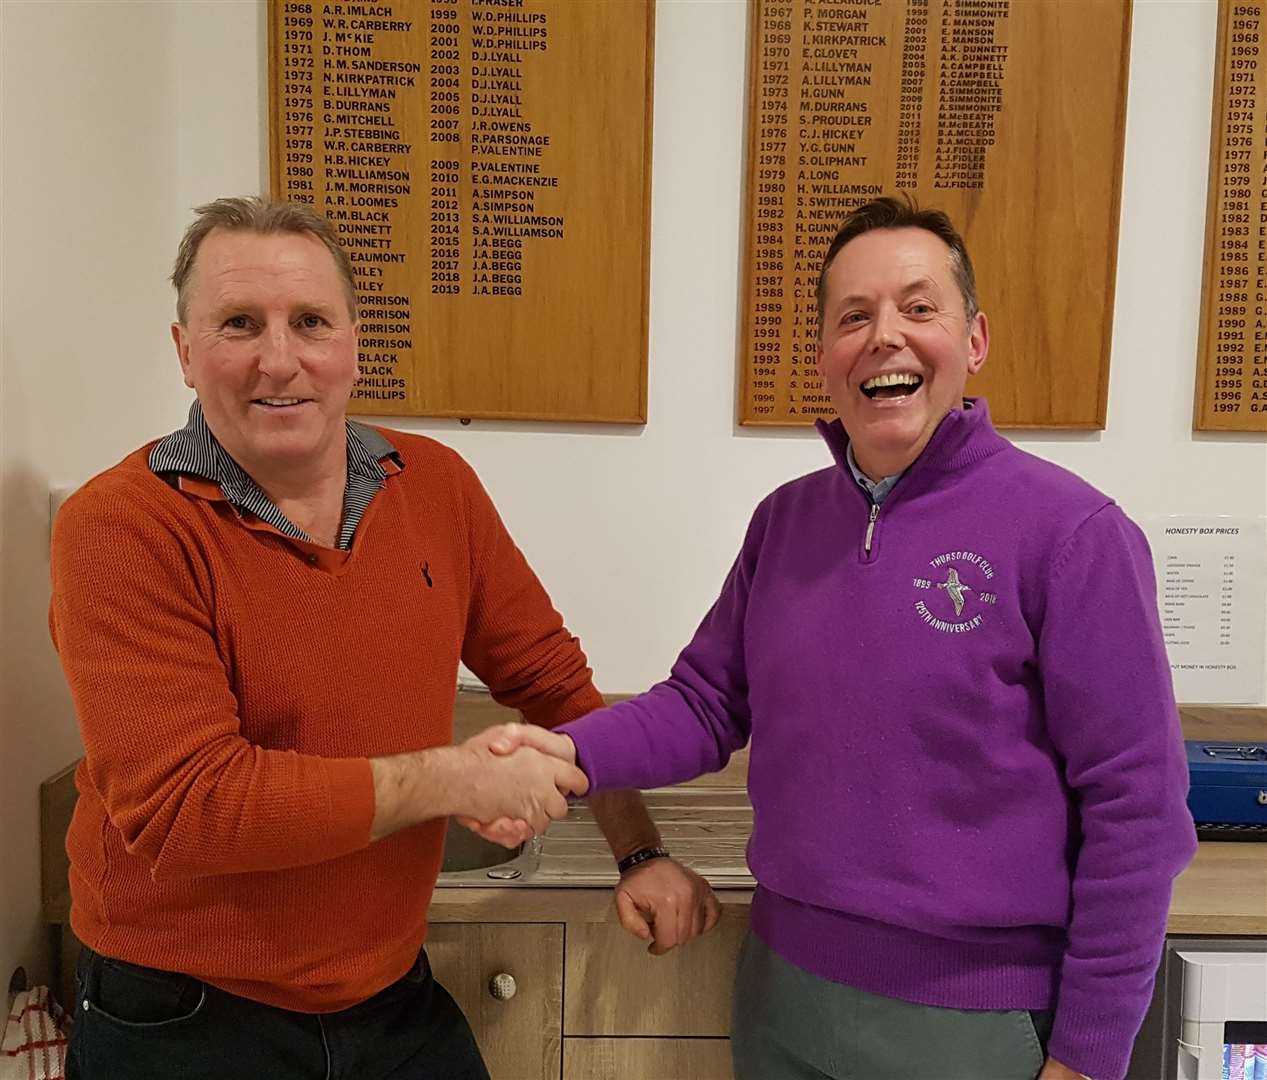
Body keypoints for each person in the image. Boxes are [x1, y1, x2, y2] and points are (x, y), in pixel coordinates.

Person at [486, 196, 1197, 1080]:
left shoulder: (1073, 534)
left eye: (918, 307)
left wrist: (1088, 1054)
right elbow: (706, 703)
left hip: (973, 1021)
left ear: (973, 340)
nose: (884, 336)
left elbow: (1137, 810)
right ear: (824, 358)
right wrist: (562, 754)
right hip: (783, 994)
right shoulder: (784, 523)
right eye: (853, 317)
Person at [48, 196, 718, 1080]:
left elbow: (549, 678)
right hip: (183, 1014)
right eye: (238, 323)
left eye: (310, 322)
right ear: (184, 351)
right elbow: (190, 808)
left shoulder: (433, 484)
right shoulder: (122, 526)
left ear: (354, 344)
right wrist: (448, 777)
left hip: (389, 994)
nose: (278, 359)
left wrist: (638, 849)